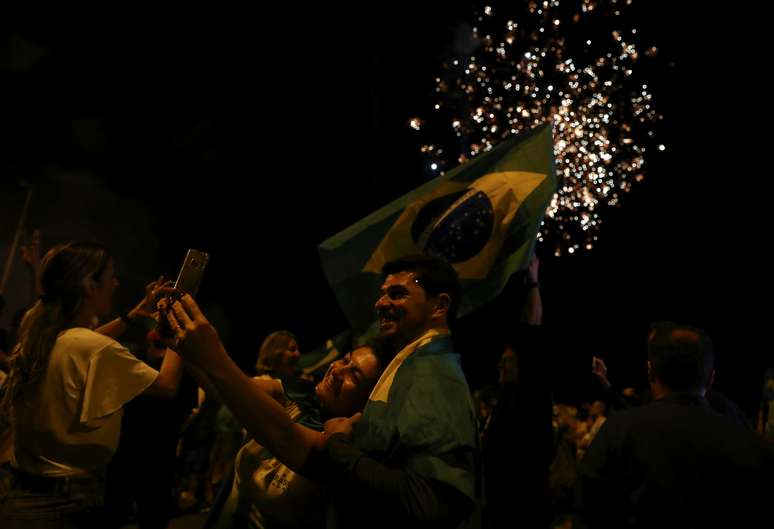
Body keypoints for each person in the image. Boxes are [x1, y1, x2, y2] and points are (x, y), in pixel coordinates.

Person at [161, 295, 387, 528]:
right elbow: (226, 387)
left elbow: (282, 433)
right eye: (345, 360)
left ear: (369, 399)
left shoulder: (344, 442)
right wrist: (179, 344)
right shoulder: (300, 391)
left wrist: (212, 350)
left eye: (355, 375)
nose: (338, 370)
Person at [0, 241, 183, 529]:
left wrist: (133, 315)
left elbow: (85, 342)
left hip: (22, 493)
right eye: (110, 277)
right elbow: (167, 385)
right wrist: (178, 330)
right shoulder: (91, 347)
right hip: (67, 502)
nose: (116, 283)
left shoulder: (41, 337)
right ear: (89, 286)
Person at [576, 321, 774, 528]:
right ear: (710, 378)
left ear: (650, 371)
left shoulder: (617, 431)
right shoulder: (751, 445)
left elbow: (588, 506)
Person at [480, 254, 554, 529]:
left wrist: (533, 283)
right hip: (501, 508)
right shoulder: (505, 400)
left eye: (508, 360)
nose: (500, 363)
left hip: (523, 509)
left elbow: (531, 332)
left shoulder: (530, 396)